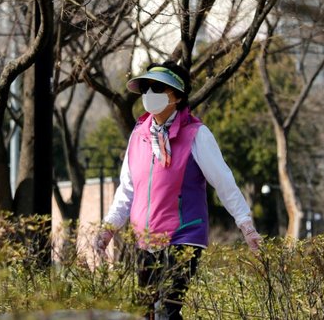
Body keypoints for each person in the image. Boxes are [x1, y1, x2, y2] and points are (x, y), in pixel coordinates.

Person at [93, 61, 262, 320]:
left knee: (166, 310)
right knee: (144, 311)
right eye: (147, 88)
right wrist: (108, 229)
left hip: (183, 236)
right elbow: (127, 190)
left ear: (178, 96)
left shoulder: (197, 134)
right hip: (144, 239)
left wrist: (245, 224)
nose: (150, 95)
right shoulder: (138, 134)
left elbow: (224, 182)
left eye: (159, 88)